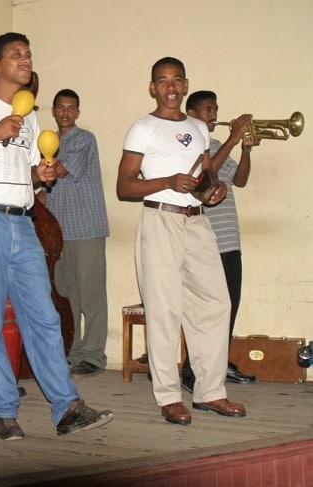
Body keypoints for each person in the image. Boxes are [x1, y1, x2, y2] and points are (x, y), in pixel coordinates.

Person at [0, 32, 113, 440]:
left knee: (46, 317)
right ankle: (2, 411)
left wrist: (41, 174)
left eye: (29, 54)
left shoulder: (29, 115)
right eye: (16, 54)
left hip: (23, 222)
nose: (26, 59)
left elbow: (28, 172)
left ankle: (67, 408)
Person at [116, 57, 246, 426]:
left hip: (198, 223)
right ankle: (169, 397)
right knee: (164, 309)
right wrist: (167, 182)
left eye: (176, 80)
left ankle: (210, 392)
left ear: (185, 85)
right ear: (153, 88)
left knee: (216, 303)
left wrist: (212, 191)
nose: (170, 86)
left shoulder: (198, 128)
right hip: (160, 220)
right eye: (162, 80)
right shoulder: (142, 128)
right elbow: (124, 186)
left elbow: (205, 178)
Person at [181, 91, 260, 391]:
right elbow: (206, 171)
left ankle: (218, 365)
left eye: (216, 109)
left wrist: (247, 151)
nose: (214, 114)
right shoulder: (190, 143)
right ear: (191, 113)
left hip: (230, 239)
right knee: (205, 312)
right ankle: (192, 372)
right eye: (208, 109)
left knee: (229, 307)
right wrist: (233, 139)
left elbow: (239, 181)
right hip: (207, 240)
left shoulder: (215, 145)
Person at [41, 88, 110, 376]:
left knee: (91, 295)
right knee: (67, 296)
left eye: (71, 108)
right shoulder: (49, 142)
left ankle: (93, 355)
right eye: (61, 107)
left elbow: (60, 170)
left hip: (87, 228)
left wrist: (40, 165)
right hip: (59, 234)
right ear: (54, 111)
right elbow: (45, 190)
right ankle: (71, 352)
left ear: (77, 113)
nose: (66, 112)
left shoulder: (84, 139)